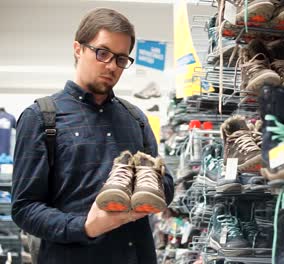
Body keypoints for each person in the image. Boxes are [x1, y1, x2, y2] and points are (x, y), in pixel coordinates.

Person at [12, 8, 174, 264]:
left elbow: (166, 186)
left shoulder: (136, 118)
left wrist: (152, 185)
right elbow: (24, 208)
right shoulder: (40, 117)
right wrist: (86, 226)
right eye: (103, 53)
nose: (111, 65)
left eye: (121, 58)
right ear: (78, 49)